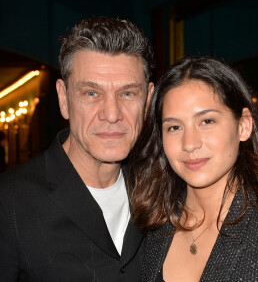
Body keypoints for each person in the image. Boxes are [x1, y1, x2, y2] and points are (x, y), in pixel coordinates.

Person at [0, 16, 154, 281]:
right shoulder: (9, 201)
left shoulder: (161, 190)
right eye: (91, 93)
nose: (112, 114)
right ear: (64, 99)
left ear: (148, 101)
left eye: (127, 93)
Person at [129, 56, 258, 281]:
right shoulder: (150, 227)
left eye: (206, 121)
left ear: (244, 125)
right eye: (174, 127)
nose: (190, 143)